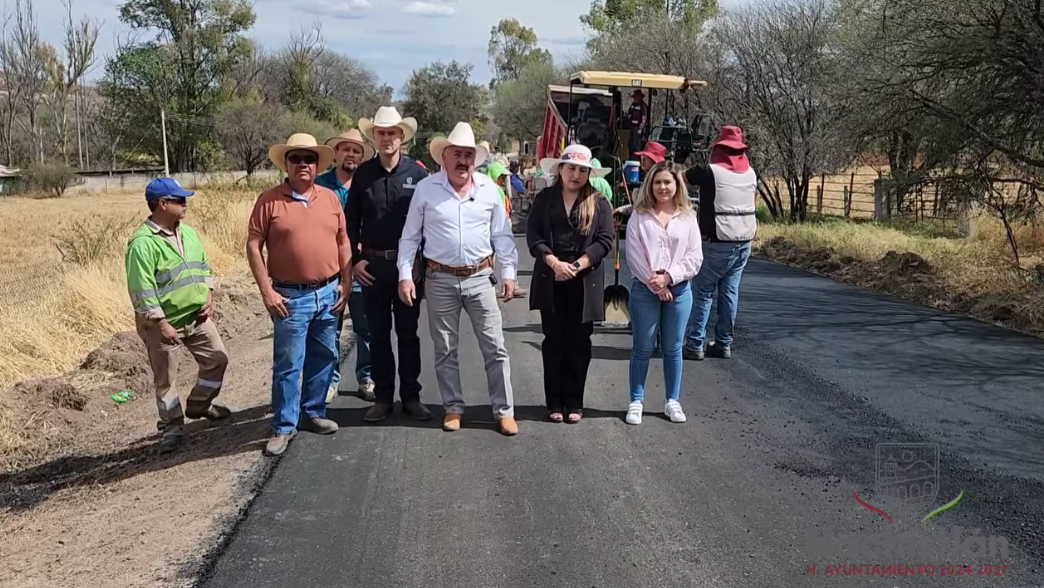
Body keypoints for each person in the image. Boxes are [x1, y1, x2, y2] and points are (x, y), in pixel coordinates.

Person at [397, 122, 520, 436]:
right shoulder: (426, 189)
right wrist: (405, 276)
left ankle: (503, 411)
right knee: (445, 349)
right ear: (445, 157)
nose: (463, 160)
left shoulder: (489, 190)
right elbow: (410, 238)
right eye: (457, 154)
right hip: (439, 278)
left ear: (475, 159)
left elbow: (503, 237)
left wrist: (508, 273)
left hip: (480, 277)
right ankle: (453, 408)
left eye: (469, 154)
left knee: (495, 347)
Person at [246, 133, 354, 456]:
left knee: (325, 357)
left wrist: (345, 283)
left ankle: (314, 412)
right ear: (287, 163)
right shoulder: (269, 200)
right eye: (296, 158)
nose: (303, 164)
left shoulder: (330, 198)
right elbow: (254, 245)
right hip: (290, 297)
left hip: (328, 292)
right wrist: (266, 290)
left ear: (317, 163)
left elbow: (343, 240)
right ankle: (282, 426)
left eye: (309, 159)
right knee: (289, 363)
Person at [126, 178, 230, 454]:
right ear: (162, 204)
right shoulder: (142, 244)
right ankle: (172, 426)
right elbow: (141, 289)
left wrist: (209, 295)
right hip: (162, 324)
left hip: (197, 317)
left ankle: (199, 405)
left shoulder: (189, 234)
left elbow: (204, 266)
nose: (185, 204)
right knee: (166, 380)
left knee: (218, 359)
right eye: (179, 200)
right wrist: (160, 323)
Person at [344, 106, 432, 423]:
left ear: (401, 137)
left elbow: (427, 222)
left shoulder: (418, 174)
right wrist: (355, 261)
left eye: (391, 133)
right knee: (379, 335)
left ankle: (411, 397)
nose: (386, 138)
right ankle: (383, 398)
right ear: (374, 137)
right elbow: (350, 220)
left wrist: (421, 260)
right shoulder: (363, 175)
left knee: (408, 334)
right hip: (373, 268)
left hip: (409, 269)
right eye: (380, 133)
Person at [526, 144, 615, 423]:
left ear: (589, 173)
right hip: (551, 278)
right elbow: (534, 236)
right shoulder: (544, 199)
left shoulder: (599, 202)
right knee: (553, 342)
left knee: (579, 342)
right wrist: (554, 263)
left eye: (582, 170)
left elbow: (604, 241)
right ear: (560, 169)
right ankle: (553, 402)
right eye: (571, 168)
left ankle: (574, 402)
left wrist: (577, 266)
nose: (575, 175)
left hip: (583, 281)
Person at [624, 160, 703, 426]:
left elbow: (695, 256)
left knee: (673, 348)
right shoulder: (639, 215)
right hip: (645, 289)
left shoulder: (688, 216)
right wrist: (655, 283)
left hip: (679, 290)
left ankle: (672, 400)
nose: (662, 187)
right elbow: (633, 254)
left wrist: (669, 278)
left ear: (676, 184)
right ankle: (636, 400)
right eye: (657, 182)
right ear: (650, 185)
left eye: (667, 182)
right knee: (642, 347)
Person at [683, 126, 758, 360]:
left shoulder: (708, 171)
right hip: (744, 240)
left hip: (716, 241)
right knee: (729, 292)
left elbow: (681, 177)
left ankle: (695, 343)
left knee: (703, 291)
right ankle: (724, 343)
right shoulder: (751, 173)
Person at [316, 129, 375, 403]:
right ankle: (330, 380)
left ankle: (366, 378)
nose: (350, 155)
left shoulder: (368, 183)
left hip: (361, 268)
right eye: (346, 149)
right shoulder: (320, 186)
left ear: (361, 157)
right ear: (336, 154)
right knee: (331, 329)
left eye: (356, 151)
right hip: (329, 271)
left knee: (366, 328)